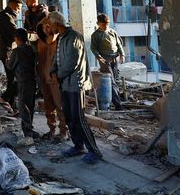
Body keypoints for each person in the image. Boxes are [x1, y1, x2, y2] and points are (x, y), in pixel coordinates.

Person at [48, 11, 103, 164]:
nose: (49, 27)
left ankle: (94, 150)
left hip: (75, 83)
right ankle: (78, 146)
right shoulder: (60, 38)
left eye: (50, 24)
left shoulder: (74, 37)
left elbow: (72, 62)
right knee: (69, 117)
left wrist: (57, 74)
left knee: (79, 118)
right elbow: (57, 57)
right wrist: (52, 69)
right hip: (65, 83)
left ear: (57, 23)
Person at [37, 19, 68, 140]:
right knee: (48, 106)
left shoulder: (60, 39)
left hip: (56, 79)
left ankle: (64, 131)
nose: (46, 28)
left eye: (48, 26)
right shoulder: (41, 41)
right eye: (44, 26)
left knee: (60, 106)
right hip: (44, 78)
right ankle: (52, 130)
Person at [91, 13, 125, 110]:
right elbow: (93, 48)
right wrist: (99, 57)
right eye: (103, 24)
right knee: (112, 82)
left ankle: (113, 101)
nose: (106, 26)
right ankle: (118, 105)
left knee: (116, 80)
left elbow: (119, 44)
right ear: (98, 23)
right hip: (105, 60)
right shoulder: (96, 35)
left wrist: (122, 54)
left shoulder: (112, 32)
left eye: (107, 24)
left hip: (115, 58)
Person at [9, 28, 38, 137]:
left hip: (23, 81)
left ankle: (28, 133)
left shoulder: (16, 51)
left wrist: (8, 58)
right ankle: (30, 129)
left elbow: (10, 66)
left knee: (23, 107)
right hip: (32, 81)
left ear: (16, 38)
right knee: (30, 106)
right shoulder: (31, 49)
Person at [0, 0, 23, 110]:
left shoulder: (6, 16)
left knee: (12, 78)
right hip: (8, 52)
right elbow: (14, 33)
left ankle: (12, 106)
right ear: (11, 5)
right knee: (17, 78)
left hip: (7, 51)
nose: (19, 10)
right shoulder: (6, 17)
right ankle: (5, 98)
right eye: (18, 7)